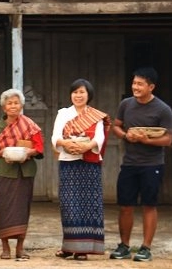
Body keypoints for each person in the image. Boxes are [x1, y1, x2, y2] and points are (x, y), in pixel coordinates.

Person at [109, 67, 172, 262]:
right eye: (134, 83)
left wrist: (146, 140)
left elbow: (168, 140)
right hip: (129, 163)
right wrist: (125, 135)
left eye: (140, 84)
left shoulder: (163, 109)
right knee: (125, 206)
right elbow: (116, 126)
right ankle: (124, 245)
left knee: (149, 205)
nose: (135, 87)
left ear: (151, 87)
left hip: (152, 164)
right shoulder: (126, 104)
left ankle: (146, 247)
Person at [51, 79, 110, 261]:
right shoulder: (63, 114)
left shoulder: (95, 116)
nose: (78, 95)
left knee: (88, 205)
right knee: (69, 205)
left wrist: (85, 147)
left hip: (89, 164)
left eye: (82, 92)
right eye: (75, 92)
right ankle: (69, 247)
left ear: (88, 95)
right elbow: (55, 137)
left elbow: (99, 138)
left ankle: (83, 249)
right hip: (69, 163)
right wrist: (66, 143)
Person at [0, 88, 44, 260]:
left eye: (16, 103)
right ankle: (5, 248)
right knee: (4, 210)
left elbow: (39, 150)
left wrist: (29, 152)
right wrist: (2, 153)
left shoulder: (30, 125)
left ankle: (20, 248)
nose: (13, 106)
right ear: (4, 107)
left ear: (21, 106)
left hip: (25, 173)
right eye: (9, 103)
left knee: (22, 210)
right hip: (4, 172)